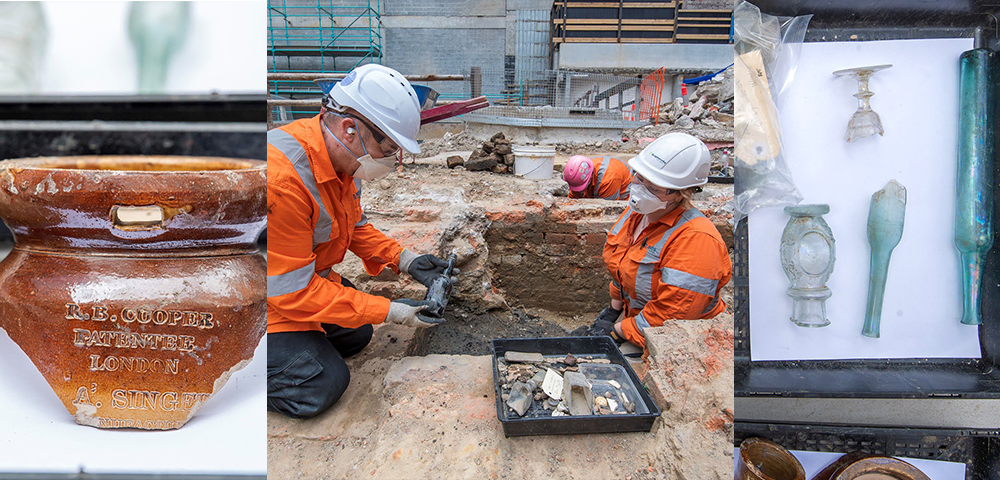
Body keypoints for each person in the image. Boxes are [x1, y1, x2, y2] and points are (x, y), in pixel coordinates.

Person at [266, 64, 458, 418]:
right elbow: (292, 292)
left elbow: (353, 227)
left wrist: (405, 259)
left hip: (295, 282)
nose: (390, 159)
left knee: (357, 334)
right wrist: (390, 311)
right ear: (350, 129)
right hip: (258, 304)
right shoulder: (281, 181)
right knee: (323, 383)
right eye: (387, 147)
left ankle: (303, 344)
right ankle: (243, 372)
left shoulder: (341, 161)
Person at [586, 133, 731, 349]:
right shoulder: (636, 214)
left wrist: (617, 332)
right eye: (639, 177)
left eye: (653, 188)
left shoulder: (697, 239)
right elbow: (623, 268)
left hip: (678, 339)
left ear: (681, 194)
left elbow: (673, 317)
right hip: (637, 318)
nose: (640, 189)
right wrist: (614, 310)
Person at [563, 154, 633, 200]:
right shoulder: (580, 171)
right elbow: (573, 197)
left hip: (627, 192)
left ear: (590, 177)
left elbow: (607, 209)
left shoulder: (608, 179)